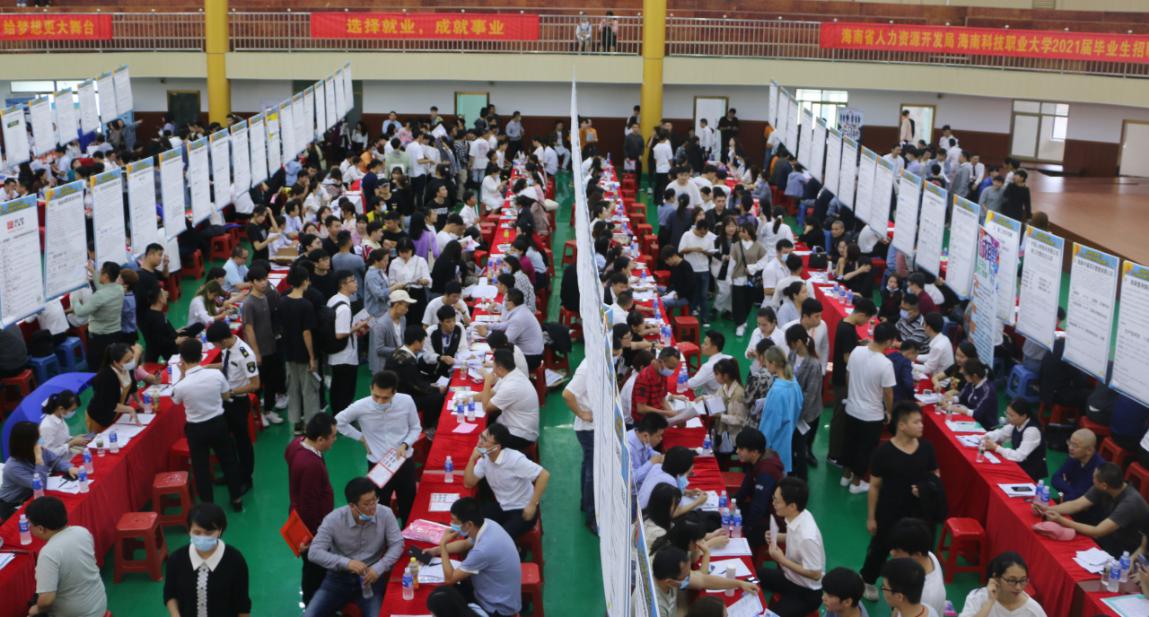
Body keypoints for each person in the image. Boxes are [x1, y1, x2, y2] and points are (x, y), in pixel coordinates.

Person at [862, 402, 940, 600]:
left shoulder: (927, 448)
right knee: (880, 548)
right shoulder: (883, 453)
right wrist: (871, 517)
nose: (921, 425)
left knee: (918, 551)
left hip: (919, 514)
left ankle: (912, 584)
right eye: (916, 422)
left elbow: (935, 475)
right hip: (890, 512)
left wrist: (925, 487)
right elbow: (874, 486)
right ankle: (868, 580)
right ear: (902, 425)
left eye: (921, 421)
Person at [335, 371, 422, 522]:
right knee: (379, 510)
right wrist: (360, 438)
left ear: (394, 392)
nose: (380, 401)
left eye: (385, 398)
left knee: (409, 505)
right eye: (376, 396)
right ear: (370, 389)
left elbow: (416, 427)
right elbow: (338, 422)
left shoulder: (406, 401)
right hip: (378, 465)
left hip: (404, 462)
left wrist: (405, 444)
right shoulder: (360, 406)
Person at [171, 339, 247, 511]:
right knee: (228, 461)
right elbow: (226, 396)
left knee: (201, 468)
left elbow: (175, 400)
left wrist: (182, 376)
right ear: (200, 356)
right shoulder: (216, 375)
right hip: (218, 423)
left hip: (196, 429)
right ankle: (236, 499)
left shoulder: (182, 385)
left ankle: (208, 506)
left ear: (182, 359)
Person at [431, 497, 523, 617]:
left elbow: (449, 579)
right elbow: (465, 544)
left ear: (469, 524)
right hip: (501, 593)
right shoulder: (488, 524)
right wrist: (435, 551)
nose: (451, 524)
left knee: (443, 601)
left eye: (455, 521)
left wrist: (443, 545)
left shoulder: (483, 550)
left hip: (495, 608)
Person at [1035, 462, 1149, 557]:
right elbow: (1076, 505)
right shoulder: (1105, 486)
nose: (1092, 479)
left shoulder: (1130, 504)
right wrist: (1047, 508)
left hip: (1125, 550)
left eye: (1094, 478)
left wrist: (1061, 520)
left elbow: (1097, 531)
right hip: (1108, 537)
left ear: (1104, 485)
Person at [285, 414, 338, 607]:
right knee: (315, 570)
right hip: (312, 528)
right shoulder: (311, 465)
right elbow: (309, 505)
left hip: (297, 517)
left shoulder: (296, 444)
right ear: (320, 439)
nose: (335, 440)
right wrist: (314, 537)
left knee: (311, 567)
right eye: (333, 436)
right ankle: (314, 606)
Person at [163, 503, 252, 617]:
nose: (202, 537)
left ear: (220, 531)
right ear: (189, 530)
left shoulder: (235, 561)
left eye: (209, 533)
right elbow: (170, 594)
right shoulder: (176, 559)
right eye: (197, 532)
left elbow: (242, 604)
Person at [23, 497, 106, 617]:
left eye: (30, 524)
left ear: (41, 529)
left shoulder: (48, 553)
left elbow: (47, 600)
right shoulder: (81, 531)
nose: (29, 528)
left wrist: (35, 609)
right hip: (98, 603)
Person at [463, 424, 550, 539]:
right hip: (502, 506)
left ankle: (515, 548)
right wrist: (472, 459)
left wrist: (532, 505)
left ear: (497, 447)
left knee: (499, 539)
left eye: (484, 440)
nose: (480, 442)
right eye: (481, 436)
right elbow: (469, 483)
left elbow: (544, 475)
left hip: (522, 509)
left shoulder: (515, 460)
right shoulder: (485, 459)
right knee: (470, 526)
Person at [205, 321, 261, 493]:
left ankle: (246, 478)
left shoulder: (245, 354)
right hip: (225, 400)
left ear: (222, 340)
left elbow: (255, 384)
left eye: (215, 344)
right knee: (226, 439)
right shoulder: (227, 348)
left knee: (242, 441)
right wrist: (207, 367)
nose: (215, 347)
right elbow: (226, 365)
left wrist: (231, 392)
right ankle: (232, 473)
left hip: (238, 402)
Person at [758, 477, 825, 617]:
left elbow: (815, 574)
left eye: (777, 501)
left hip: (806, 592)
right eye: (773, 498)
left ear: (792, 506)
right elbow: (794, 536)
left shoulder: (807, 537)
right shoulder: (800, 514)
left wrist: (782, 560)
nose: (773, 503)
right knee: (754, 575)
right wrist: (778, 536)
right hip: (790, 577)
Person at [842, 322, 897, 494]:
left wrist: (851, 395)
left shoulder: (856, 351)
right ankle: (856, 483)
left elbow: (848, 374)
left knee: (850, 443)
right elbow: (888, 392)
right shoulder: (886, 364)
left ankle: (845, 476)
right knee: (864, 449)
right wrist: (889, 411)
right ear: (888, 341)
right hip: (871, 415)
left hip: (851, 408)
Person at [828, 299, 877, 466]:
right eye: (867, 319)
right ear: (862, 315)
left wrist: (859, 345)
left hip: (840, 377)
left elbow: (848, 348)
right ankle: (834, 454)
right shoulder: (847, 330)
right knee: (840, 418)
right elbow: (848, 358)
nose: (866, 323)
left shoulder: (845, 323)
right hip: (843, 380)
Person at [0, 423, 79, 522]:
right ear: (27, 443)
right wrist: (39, 460)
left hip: (33, 495)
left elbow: (56, 460)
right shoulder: (13, 467)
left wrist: (69, 468)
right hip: (13, 504)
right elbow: (40, 485)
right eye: (39, 437)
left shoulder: (39, 449)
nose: (42, 440)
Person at [651, 546, 758, 617]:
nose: (690, 577)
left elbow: (703, 580)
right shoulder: (656, 607)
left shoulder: (668, 576)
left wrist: (740, 583)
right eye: (686, 576)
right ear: (669, 582)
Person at [281, 266, 320, 434]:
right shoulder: (306, 305)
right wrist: (311, 356)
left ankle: (296, 422)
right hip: (303, 354)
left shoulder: (282, 301)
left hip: (288, 352)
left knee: (293, 388)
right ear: (304, 281)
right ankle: (310, 423)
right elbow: (306, 333)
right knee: (308, 390)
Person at [733, 428, 785, 550]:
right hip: (763, 510)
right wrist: (732, 504)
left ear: (754, 452)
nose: (737, 451)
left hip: (773, 520)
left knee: (745, 533)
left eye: (741, 449)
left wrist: (745, 529)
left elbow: (758, 507)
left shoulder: (766, 472)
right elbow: (744, 491)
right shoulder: (754, 461)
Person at [327, 270, 370, 415]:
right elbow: (340, 333)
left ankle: (338, 415)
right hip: (345, 355)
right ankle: (342, 417)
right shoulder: (344, 308)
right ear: (343, 284)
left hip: (336, 354)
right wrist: (358, 326)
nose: (356, 283)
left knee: (337, 387)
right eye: (352, 280)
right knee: (345, 390)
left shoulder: (333, 299)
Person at [390, 326, 446, 432]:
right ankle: (428, 427)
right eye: (423, 341)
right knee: (438, 397)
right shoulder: (407, 361)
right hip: (402, 399)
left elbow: (414, 380)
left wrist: (429, 385)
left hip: (398, 392)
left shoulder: (397, 351)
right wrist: (436, 389)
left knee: (431, 385)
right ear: (416, 342)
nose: (423, 344)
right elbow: (416, 386)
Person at [757, 346, 803, 474]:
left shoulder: (777, 391)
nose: (765, 365)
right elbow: (798, 406)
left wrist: (761, 446)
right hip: (787, 436)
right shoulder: (794, 383)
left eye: (767, 362)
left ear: (773, 363)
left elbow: (770, 424)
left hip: (773, 446)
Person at [887, 518, 946, 617]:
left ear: (917, 554)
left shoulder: (925, 596)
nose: (892, 553)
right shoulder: (928, 556)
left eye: (897, 550)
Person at [958, 552, 1047, 617]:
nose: (1018, 587)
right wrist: (990, 602)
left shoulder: (1033, 610)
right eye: (1012, 581)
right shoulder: (978, 598)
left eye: (1023, 580)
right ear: (996, 578)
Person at [72, 261, 125, 370]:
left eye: (100, 272)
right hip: (115, 334)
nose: (99, 273)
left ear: (105, 276)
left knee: (98, 366)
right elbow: (103, 288)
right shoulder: (119, 289)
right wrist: (93, 272)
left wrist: (74, 297)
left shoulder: (99, 296)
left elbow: (80, 312)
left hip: (99, 338)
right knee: (113, 365)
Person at [475, 289, 544, 370]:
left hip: (530, 358)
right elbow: (506, 324)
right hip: (531, 352)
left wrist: (487, 334)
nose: (504, 303)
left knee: (499, 351)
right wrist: (488, 326)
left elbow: (504, 342)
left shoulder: (518, 318)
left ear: (511, 302)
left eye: (505, 300)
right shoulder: (521, 310)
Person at [981, 400, 1047, 481]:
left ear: (1024, 416)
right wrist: (987, 437)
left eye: (1011, 415)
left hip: (1029, 473)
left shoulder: (1032, 431)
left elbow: (1019, 456)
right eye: (1007, 413)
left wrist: (996, 447)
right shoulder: (1015, 423)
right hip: (1018, 465)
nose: (1008, 417)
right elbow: (1000, 434)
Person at [86, 342, 146, 431]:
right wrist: (129, 409)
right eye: (127, 361)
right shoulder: (106, 377)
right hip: (99, 417)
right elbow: (109, 403)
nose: (131, 362)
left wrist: (139, 402)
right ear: (115, 363)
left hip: (116, 412)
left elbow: (133, 386)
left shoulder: (127, 368)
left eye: (132, 358)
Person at [1051, 428, 1103, 502]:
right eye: (1070, 442)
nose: (1070, 448)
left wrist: (1065, 485)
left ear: (1089, 450)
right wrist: (1071, 489)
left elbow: (1082, 497)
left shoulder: (1098, 470)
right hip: (1068, 499)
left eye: (1075, 446)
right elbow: (1055, 478)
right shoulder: (1074, 457)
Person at [370, 289, 414, 374]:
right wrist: (401, 350)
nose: (407, 310)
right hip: (385, 368)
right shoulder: (381, 324)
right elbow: (379, 349)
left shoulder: (403, 319)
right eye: (406, 306)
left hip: (399, 364)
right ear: (396, 305)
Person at [37, 390, 87, 460]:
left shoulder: (60, 417)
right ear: (61, 408)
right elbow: (49, 453)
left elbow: (62, 438)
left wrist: (74, 438)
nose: (74, 412)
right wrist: (71, 443)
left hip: (67, 456)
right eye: (72, 410)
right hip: (58, 462)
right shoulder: (47, 427)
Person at [627, 413, 669, 490]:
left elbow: (650, 452)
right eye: (658, 436)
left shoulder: (642, 437)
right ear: (645, 436)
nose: (661, 439)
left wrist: (661, 457)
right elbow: (630, 480)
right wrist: (651, 462)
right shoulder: (628, 447)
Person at [951, 360, 996, 429]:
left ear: (975, 376)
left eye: (965, 374)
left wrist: (963, 410)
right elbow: (961, 398)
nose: (963, 376)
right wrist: (951, 399)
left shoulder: (988, 390)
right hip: (968, 418)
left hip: (984, 426)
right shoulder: (971, 381)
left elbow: (977, 414)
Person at [686, 331, 732, 396]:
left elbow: (691, 384)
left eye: (705, 344)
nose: (702, 345)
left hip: (711, 397)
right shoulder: (730, 358)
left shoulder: (708, 367)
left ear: (714, 347)